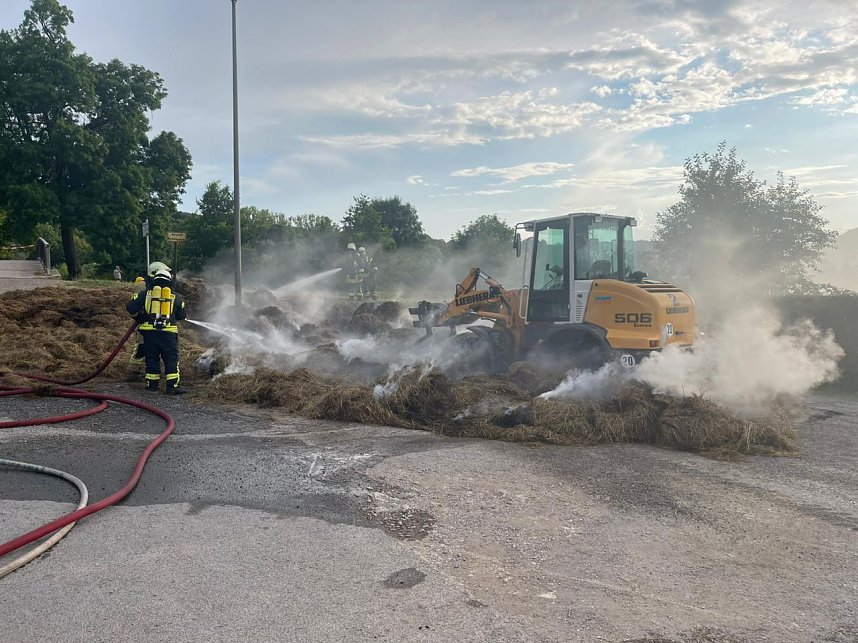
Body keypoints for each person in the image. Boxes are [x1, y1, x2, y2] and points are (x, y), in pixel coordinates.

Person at [126, 265, 187, 394]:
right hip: (168, 334)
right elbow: (182, 316)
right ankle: (172, 387)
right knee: (171, 358)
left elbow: (130, 307)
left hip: (149, 333)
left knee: (151, 358)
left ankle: (152, 385)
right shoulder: (176, 297)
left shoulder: (145, 295)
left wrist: (141, 317)